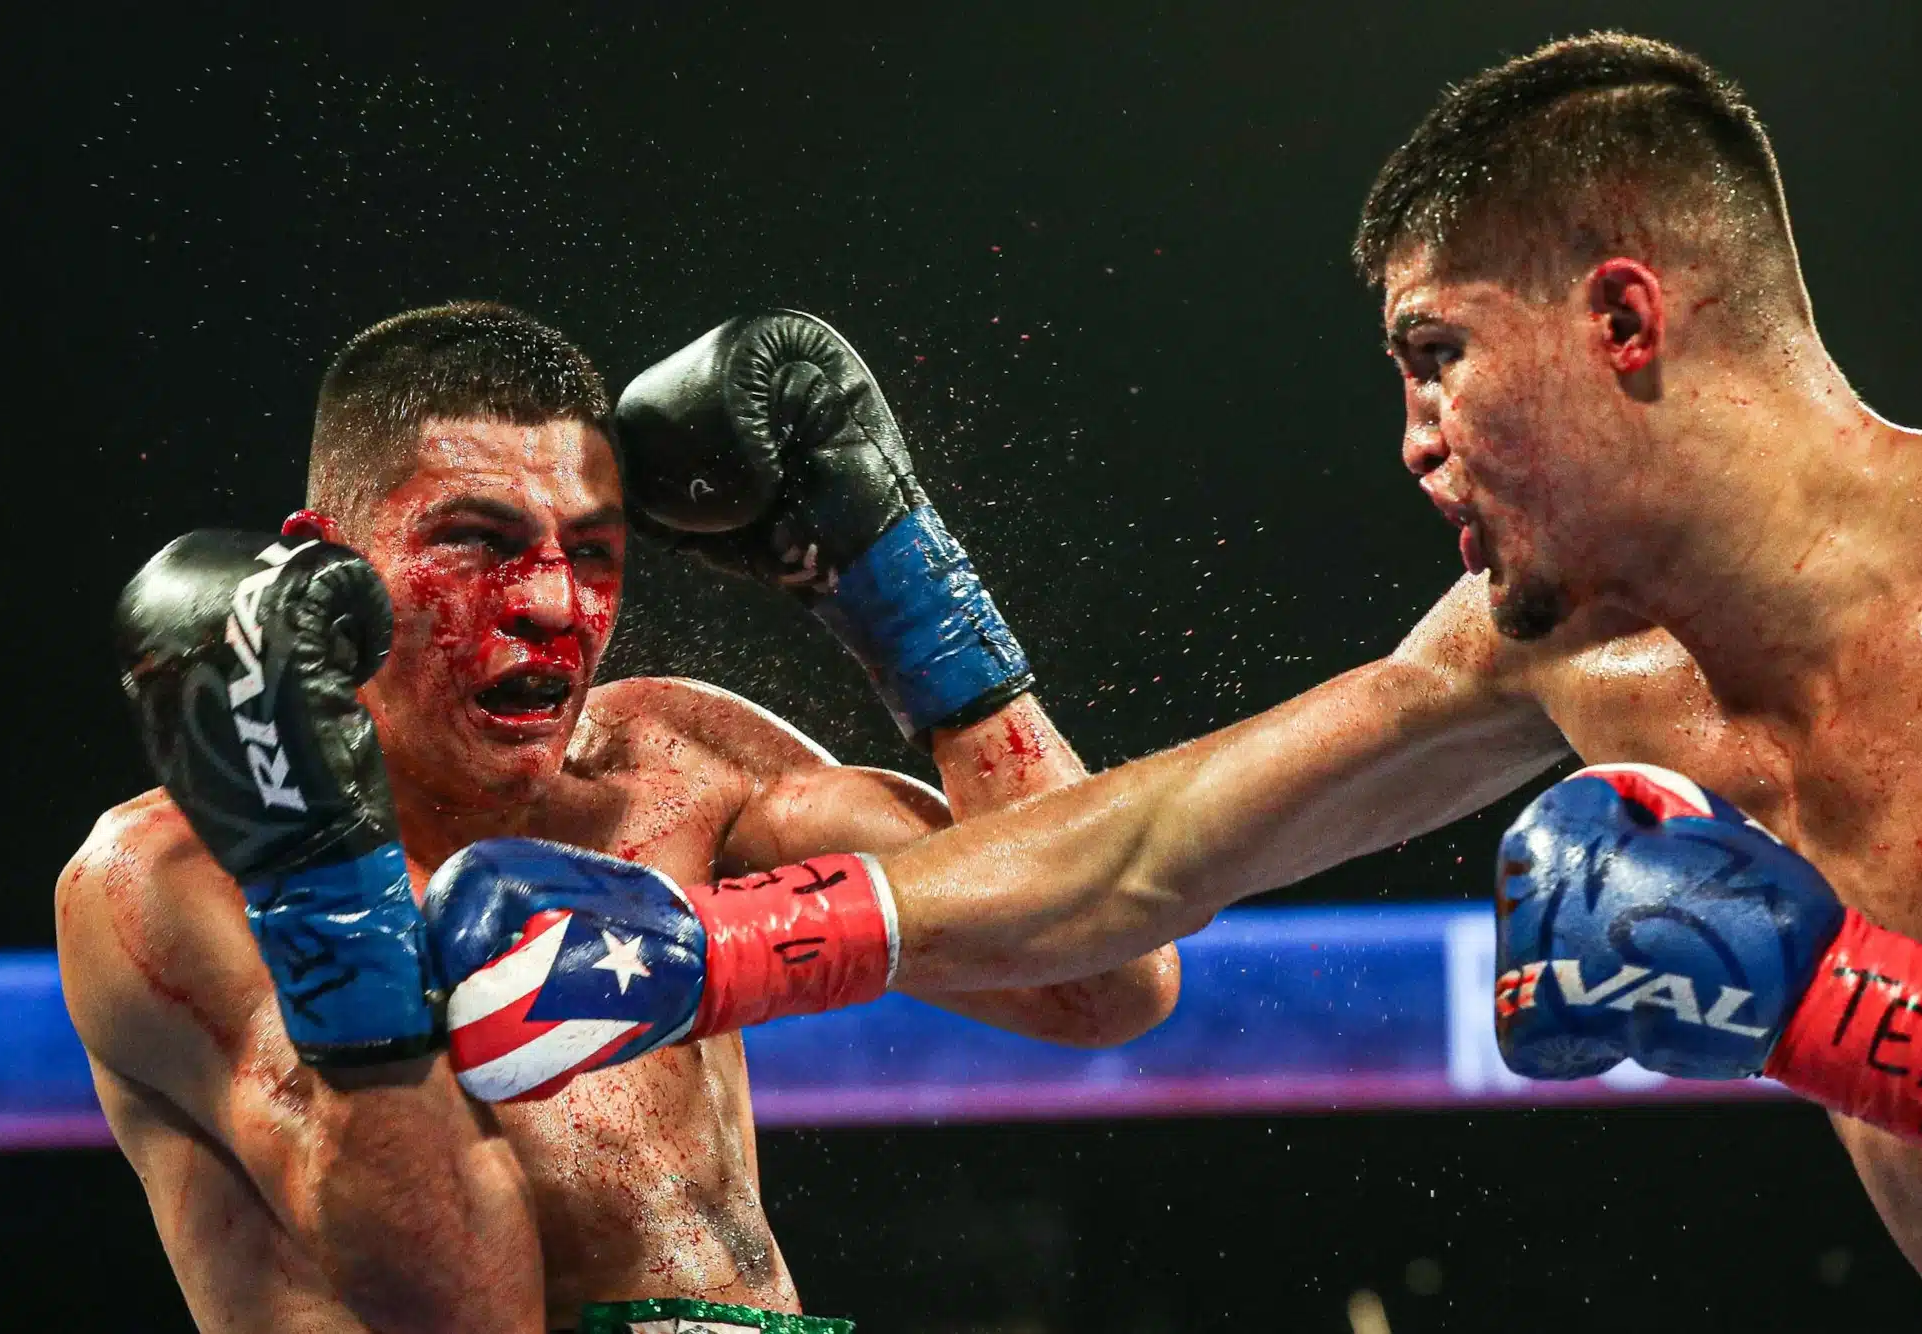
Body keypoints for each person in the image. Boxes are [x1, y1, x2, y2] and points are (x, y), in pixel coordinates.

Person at [385, 34, 1922, 1328]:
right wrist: (711, 952)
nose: (1414, 442)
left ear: (1622, 315)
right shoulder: (1554, 645)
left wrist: (1825, 1007)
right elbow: (1144, 857)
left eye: (1439, 357)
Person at [65, 302, 1178, 1334]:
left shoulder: (676, 763)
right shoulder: (174, 875)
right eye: (478, 538)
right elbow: (463, 1307)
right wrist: (321, 867)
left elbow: (1102, 978)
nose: (553, 603)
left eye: (591, 550)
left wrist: (906, 592)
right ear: (326, 562)